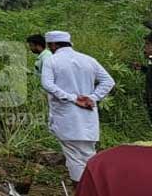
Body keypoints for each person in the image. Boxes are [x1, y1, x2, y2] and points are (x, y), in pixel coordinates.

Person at [40, 30, 115, 184]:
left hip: (67, 118)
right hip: (88, 119)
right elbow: (108, 81)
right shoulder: (88, 60)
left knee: (75, 159)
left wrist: (72, 98)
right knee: (89, 157)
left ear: (53, 45)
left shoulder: (52, 60)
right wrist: (92, 97)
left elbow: (47, 84)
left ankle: (83, 190)